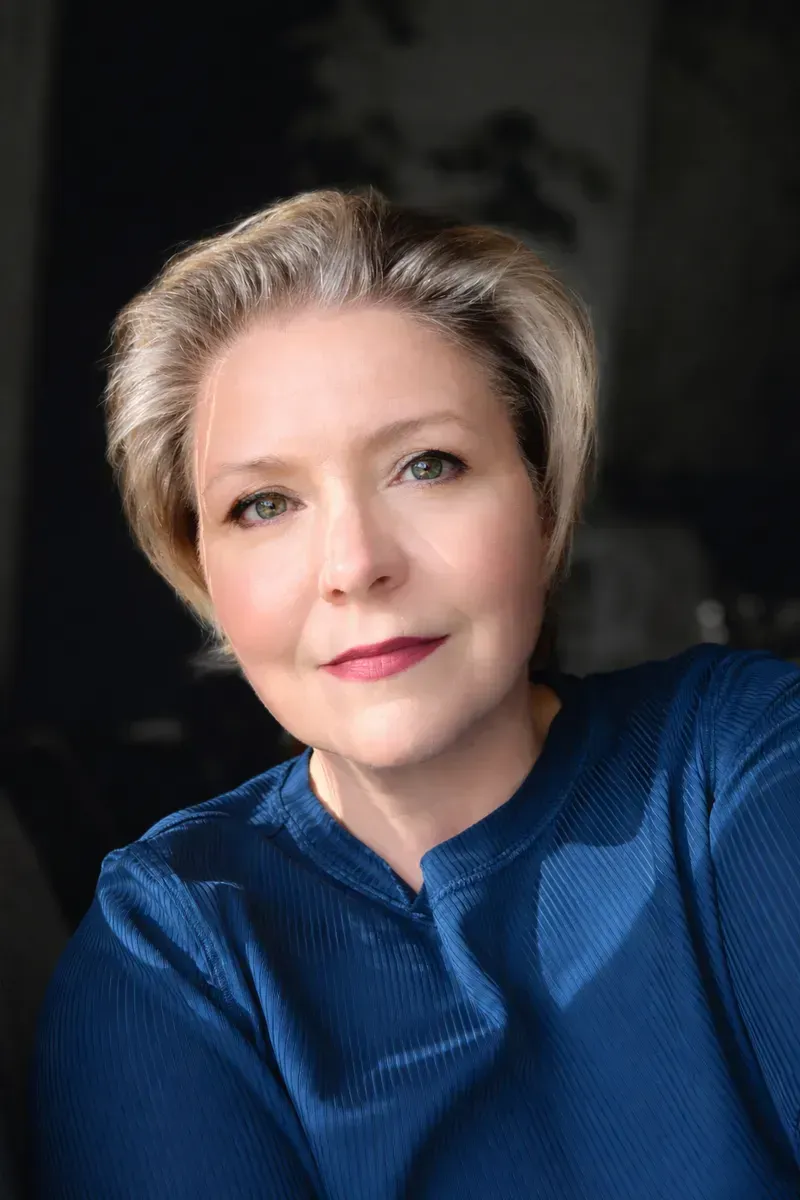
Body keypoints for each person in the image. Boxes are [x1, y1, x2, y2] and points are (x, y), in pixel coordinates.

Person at [30, 190, 800, 1199]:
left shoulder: (739, 768)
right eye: (264, 504)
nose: (354, 564)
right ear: (200, 566)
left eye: (425, 465)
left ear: (542, 496)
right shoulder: (172, 956)